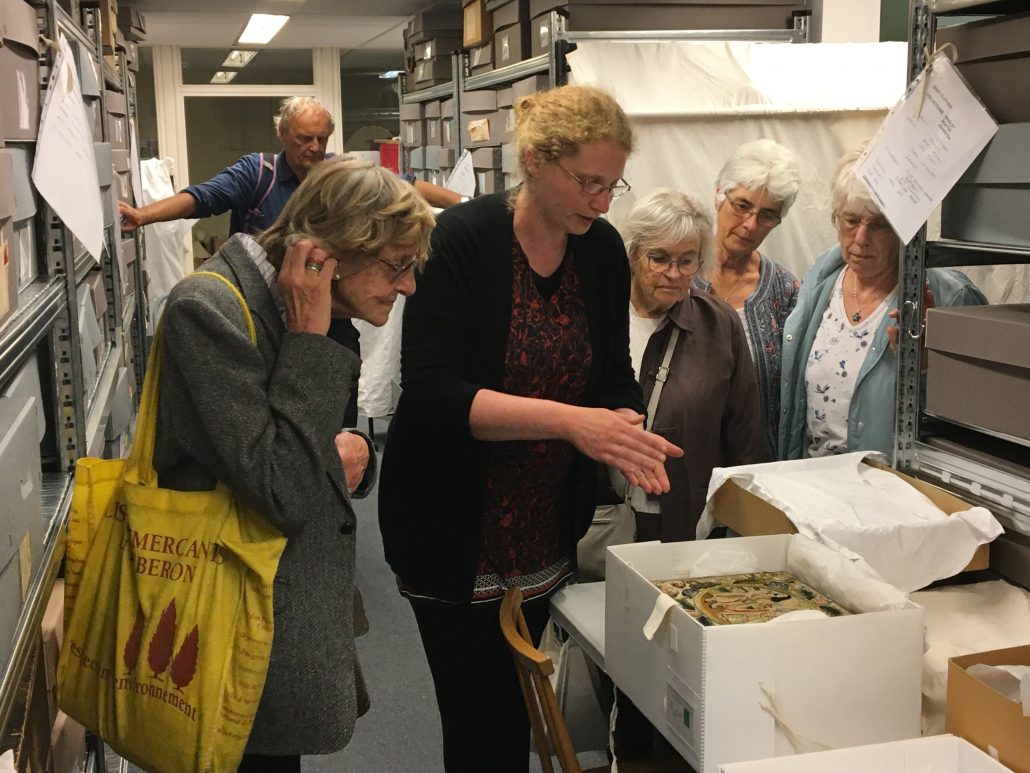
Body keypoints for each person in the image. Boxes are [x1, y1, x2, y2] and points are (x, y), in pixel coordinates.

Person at [378, 85, 682, 773]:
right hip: (452, 533)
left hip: (543, 532)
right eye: (588, 182)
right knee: (473, 725)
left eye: (612, 184)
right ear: (538, 161)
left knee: (517, 715)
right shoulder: (459, 240)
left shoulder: (601, 250)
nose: (603, 202)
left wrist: (625, 427)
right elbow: (433, 395)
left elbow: (612, 373)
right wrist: (575, 423)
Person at [152, 157, 434, 772]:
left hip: (278, 622)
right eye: (397, 265)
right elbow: (282, 488)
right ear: (328, 252)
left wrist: (355, 452)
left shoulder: (321, 312)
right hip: (221, 631)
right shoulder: (209, 310)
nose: (408, 285)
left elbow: (322, 448)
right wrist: (310, 343)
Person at [779, 147, 986, 460]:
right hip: (815, 483)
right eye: (851, 220)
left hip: (892, 490)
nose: (861, 238)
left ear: (905, 229)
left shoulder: (949, 298)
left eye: (878, 225)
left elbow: (979, 413)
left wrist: (928, 369)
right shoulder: (822, 281)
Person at [623, 188, 767, 541]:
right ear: (633, 254)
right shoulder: (598, 315)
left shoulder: (718, 325)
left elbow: (744, 438)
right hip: (607, 519)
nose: (674, 273)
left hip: (689, 524)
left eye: (686, 261)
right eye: (659, 258)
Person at [694, 139, 802, 455]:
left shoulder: (783, 291)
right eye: (742, 206)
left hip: (758, 466)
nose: (751, 224)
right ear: (718, 195)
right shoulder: (678, 277)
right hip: (679, 468)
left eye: (767, 215)